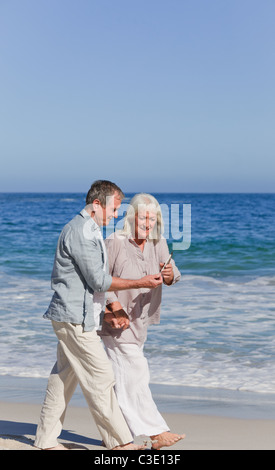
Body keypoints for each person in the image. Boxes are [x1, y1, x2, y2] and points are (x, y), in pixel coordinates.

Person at [34, 181, 163, 451]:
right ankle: (121, 443)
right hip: (74, 319)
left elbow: (91, 283)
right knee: (103, 378)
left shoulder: (91, 229)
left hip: (80, 316)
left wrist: (109, 309)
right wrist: (138, 282)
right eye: (114, 208)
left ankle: (45, 440)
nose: (117, 215)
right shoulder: (81, 231)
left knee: (63, 377)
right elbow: (98, 281)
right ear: (97, 205)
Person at [100, 193, 185, 450]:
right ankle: (156, 432)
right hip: (116, 320)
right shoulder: (115, 242)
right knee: (137, 371)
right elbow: (97, 281)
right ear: (131, 217)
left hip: (141, 320)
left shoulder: (158, 241)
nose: (148, 223)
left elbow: (172, 271)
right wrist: (112, 307)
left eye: (153, 218)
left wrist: (171, 275)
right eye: (144, 217)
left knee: (124, 378)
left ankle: (119, 438)